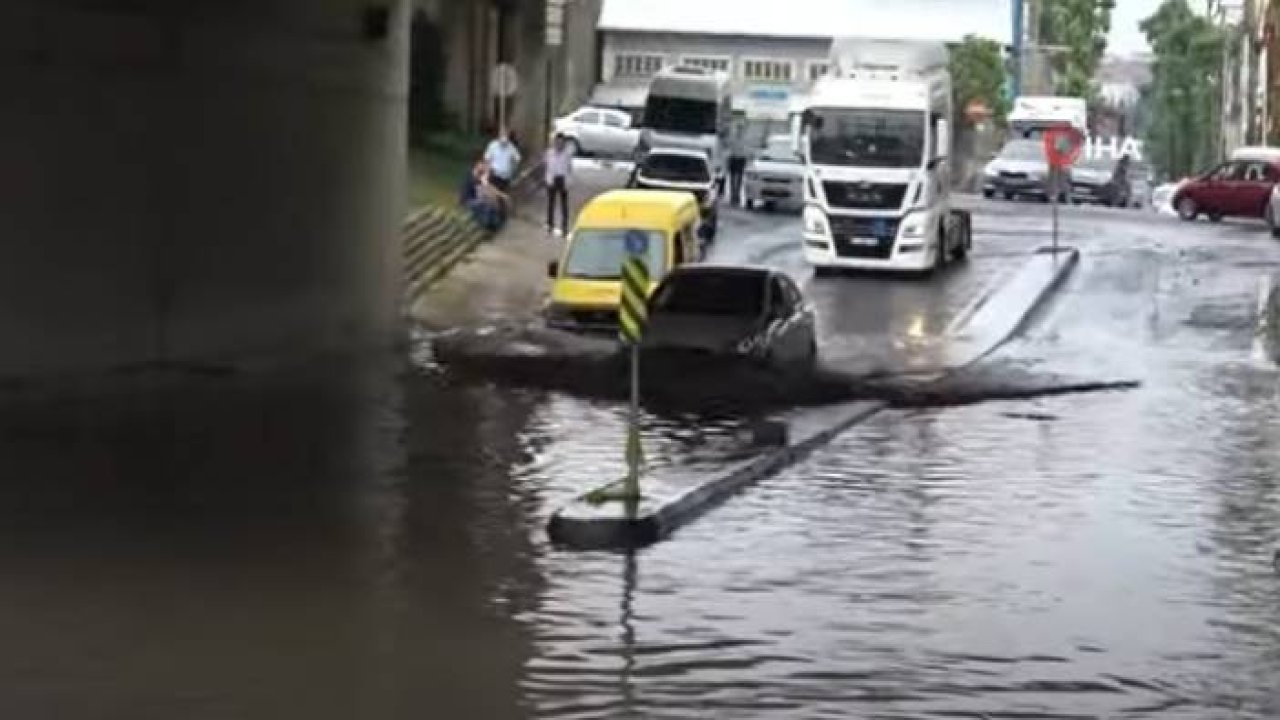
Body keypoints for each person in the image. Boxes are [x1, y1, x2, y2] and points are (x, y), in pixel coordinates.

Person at [544, 132, 574, 237]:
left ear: (564, 143)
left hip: (563, 179)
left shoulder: (567, 154)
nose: (559, 145)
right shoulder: (549, 153)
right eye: (557, 142)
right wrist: (548, 179)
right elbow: (547, 166)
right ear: (554, 142)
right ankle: (550, 224)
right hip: (552, 178)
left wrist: (568, 181)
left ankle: (564, 226)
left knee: (564, 204)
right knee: (551, 203)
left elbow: (569, 168)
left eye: (561, 143)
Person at [483, 127, 521, 192]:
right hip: (494, 175)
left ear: (508, 137)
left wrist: (513, 170)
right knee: (492, 193)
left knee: (502, 193)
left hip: (505, 177)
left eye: (506, 135)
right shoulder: (493, 145)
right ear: (499, 136)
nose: (504, 139)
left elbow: (517, 160)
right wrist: (486, 173)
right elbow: (487, 159)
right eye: (502, 135)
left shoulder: (511, 148)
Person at [727, 121, 749, 207]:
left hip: (741, 159)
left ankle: (737, 195)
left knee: (739, 178)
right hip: (733, 158)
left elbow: (746, 150)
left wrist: (746, 159)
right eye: (738, 128)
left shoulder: (745, 138)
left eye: (741, 128)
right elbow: (729, 147)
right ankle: (733, 195)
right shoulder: (732, 137)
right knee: (732, 178)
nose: (739, 130)